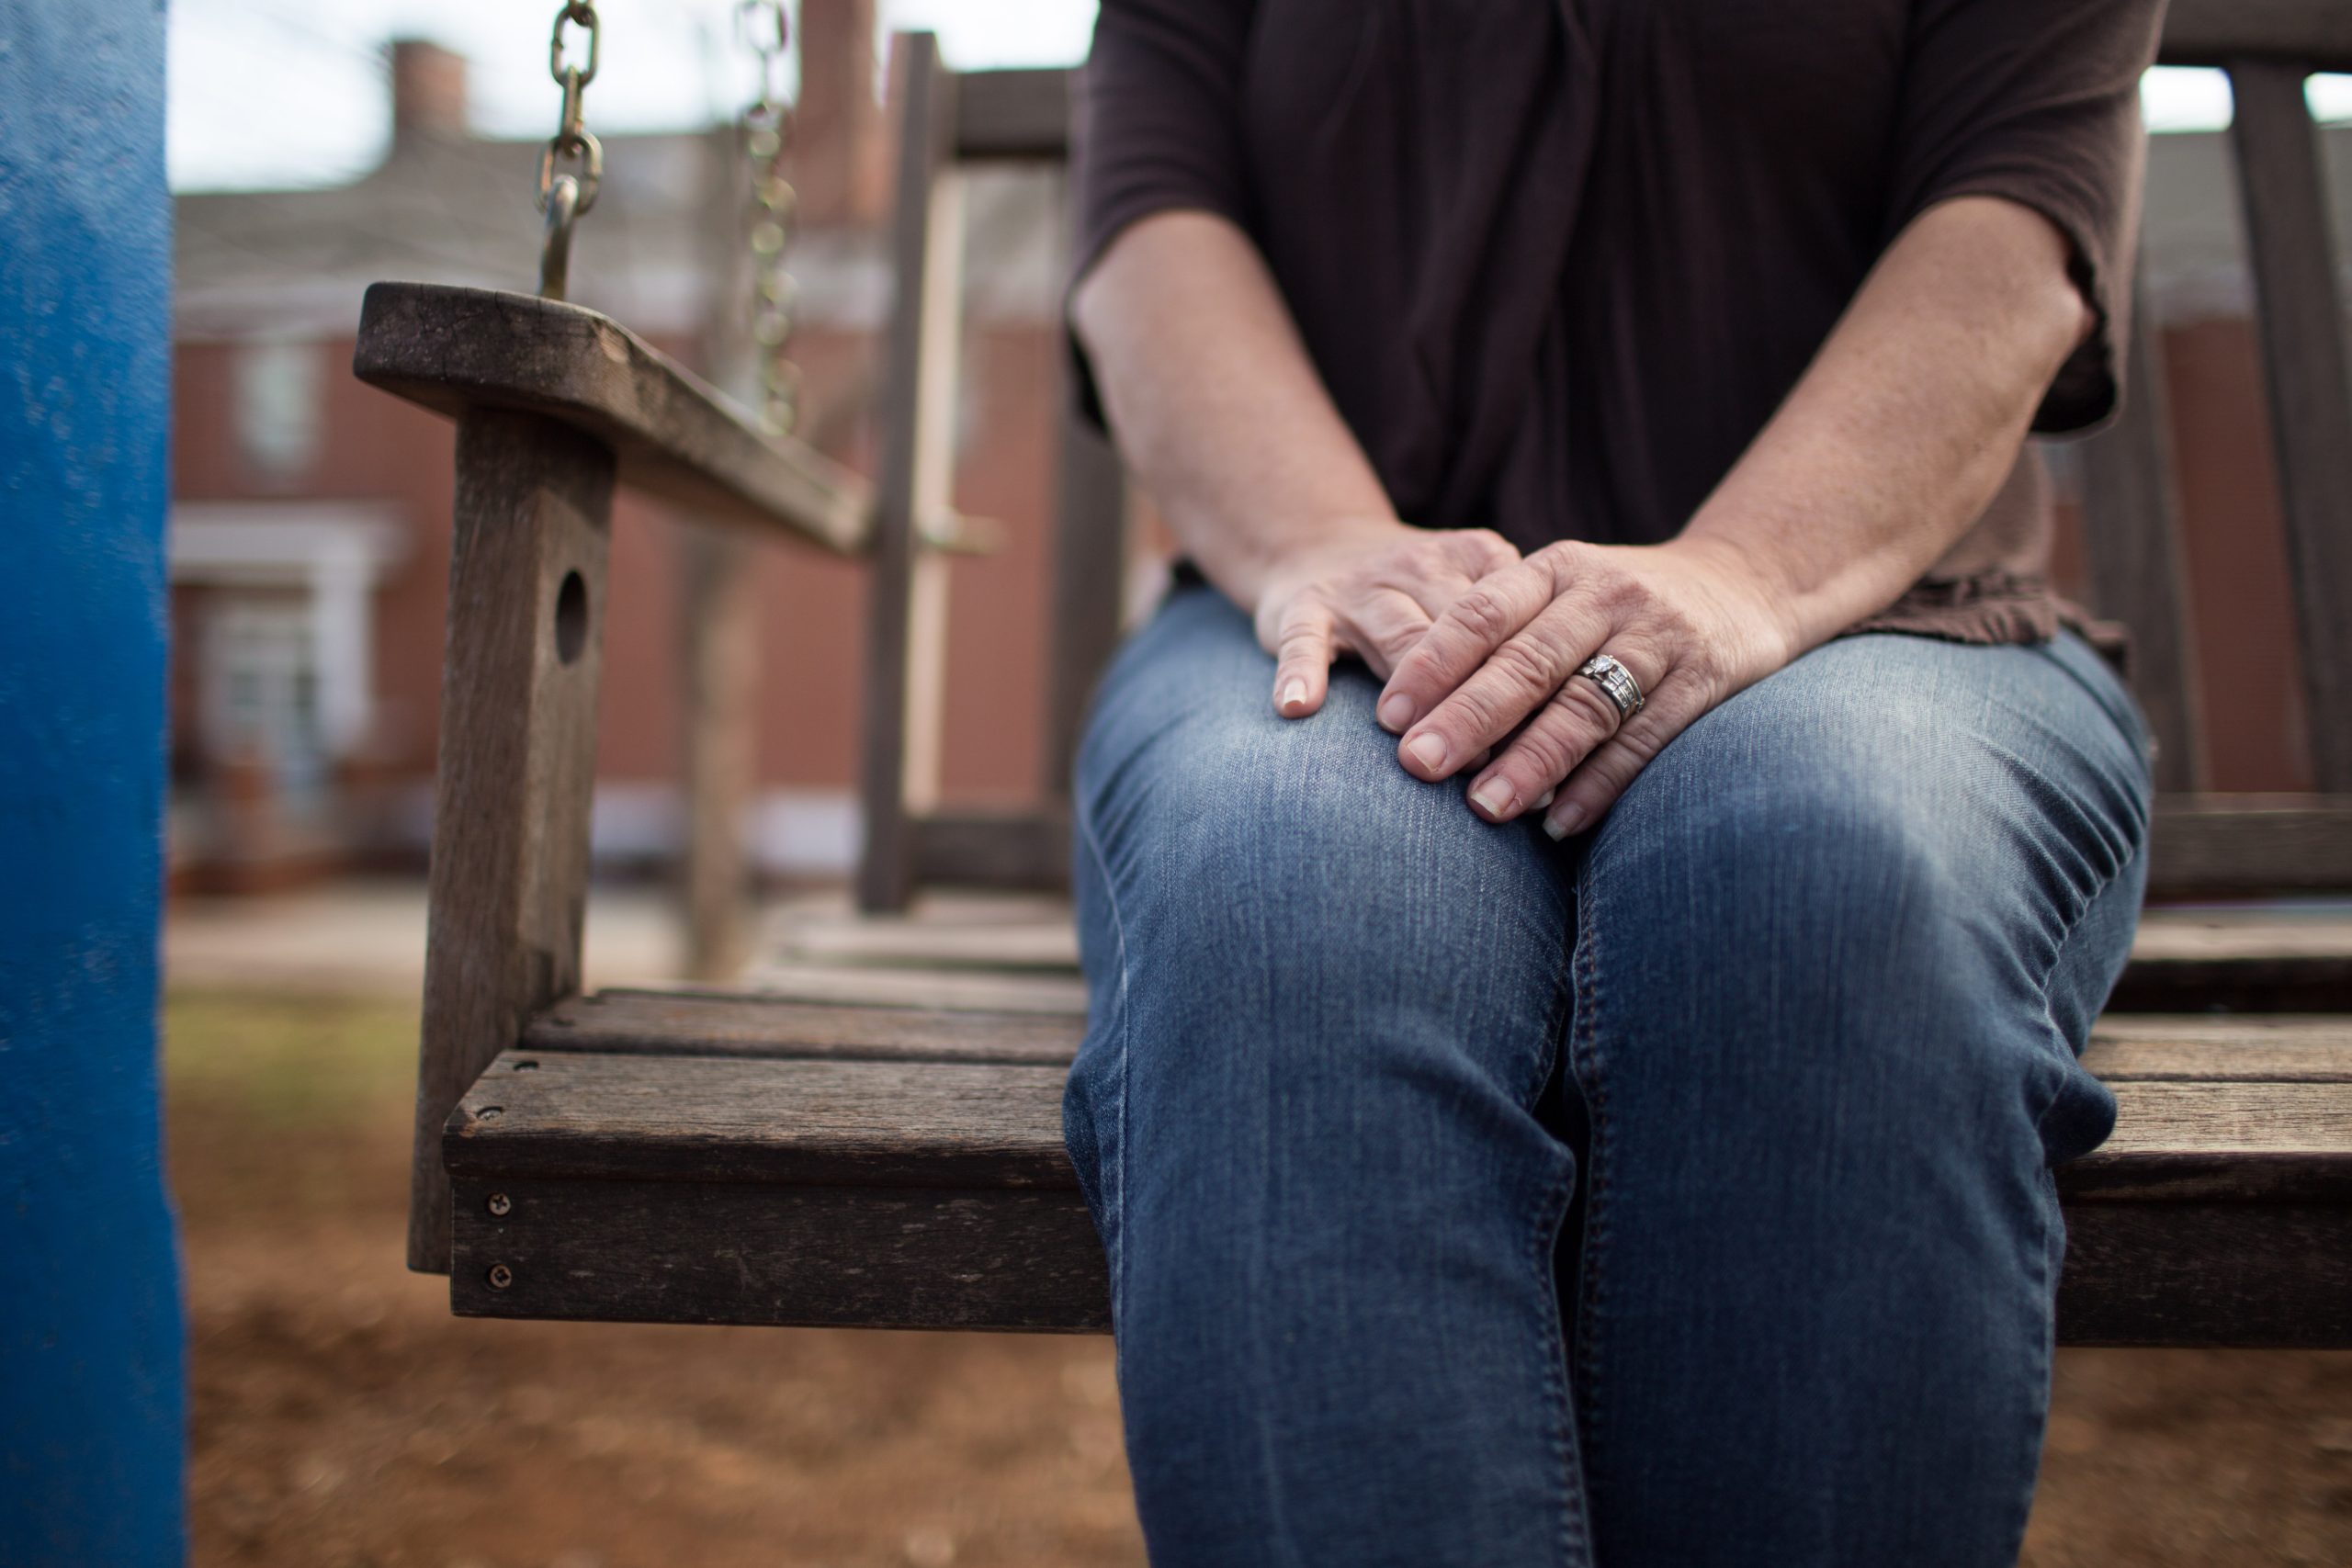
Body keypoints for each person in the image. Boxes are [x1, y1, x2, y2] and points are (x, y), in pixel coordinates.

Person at [1057, 2, 2164, 1563]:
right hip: (1338, 602)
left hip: (1880, 617)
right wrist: (1321, 540)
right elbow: (1154, 214)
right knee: (1283, 897)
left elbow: (2014, 215)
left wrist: (1742, 573)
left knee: (1817, 878)